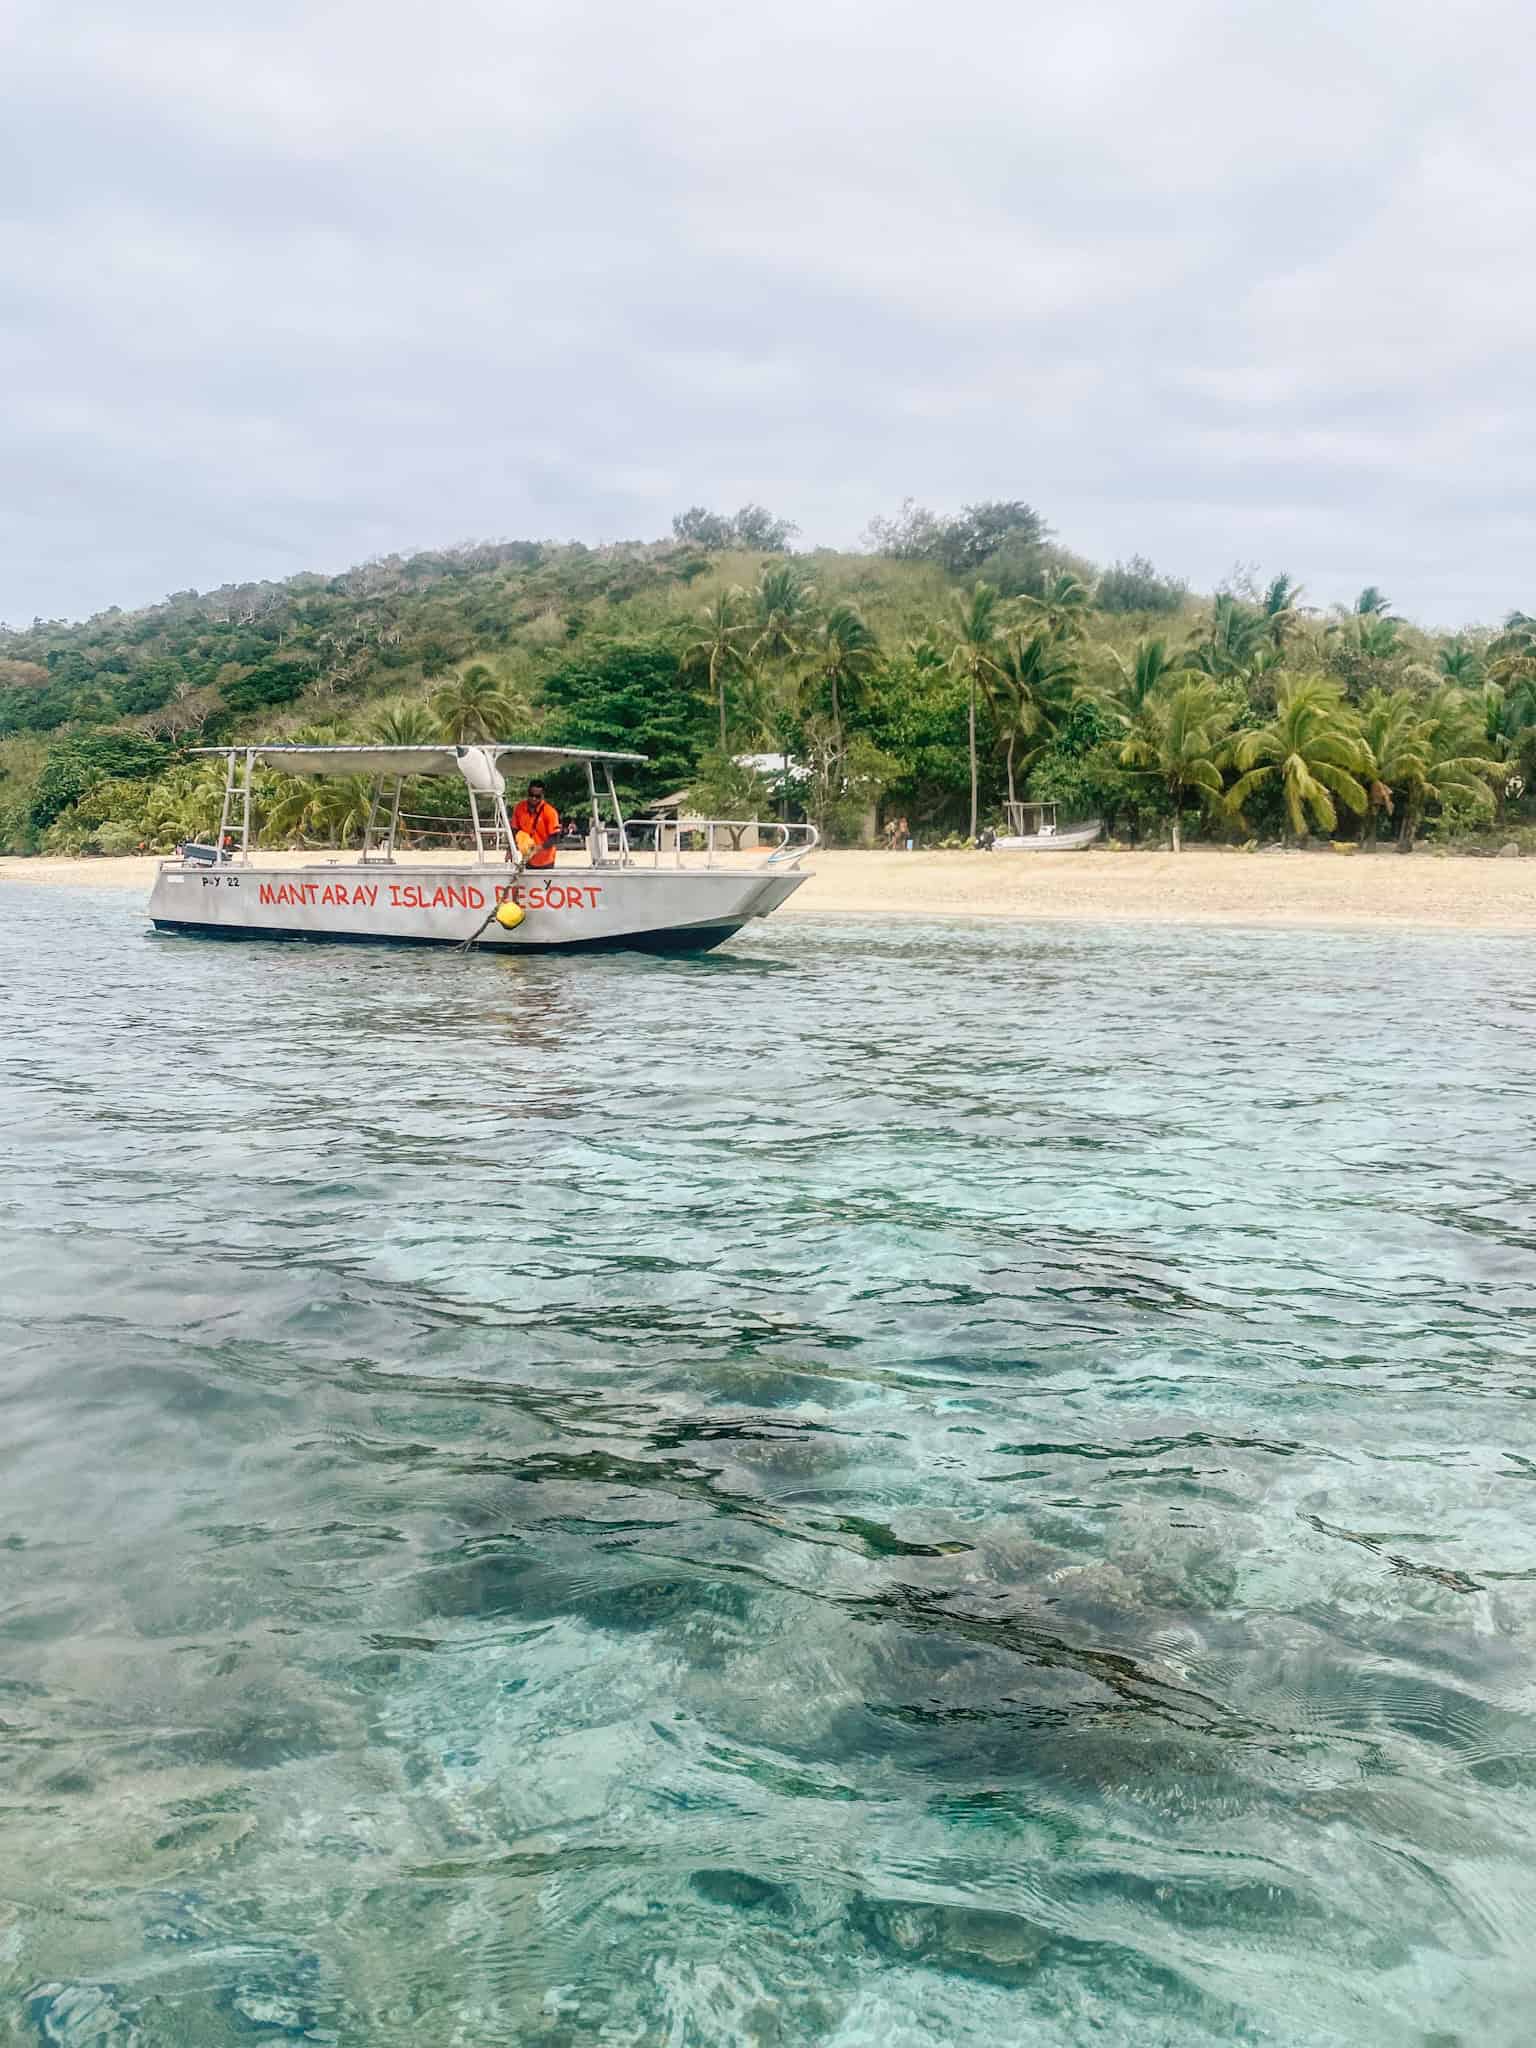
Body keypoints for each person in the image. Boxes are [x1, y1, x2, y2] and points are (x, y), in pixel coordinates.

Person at [511, 780, 560, 869]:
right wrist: (510, 849)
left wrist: (537, 848)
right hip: (527, 859)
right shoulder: (519, 808)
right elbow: (514, 830)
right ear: (527, 793)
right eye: (531, 795)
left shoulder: (550, 812)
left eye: (537, 796)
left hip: (546, 861)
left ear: (543, 796)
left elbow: (554, 837)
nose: (534, 798)